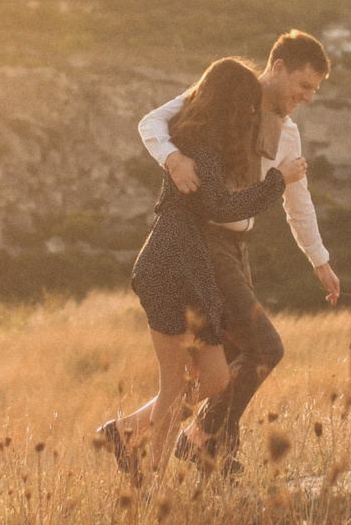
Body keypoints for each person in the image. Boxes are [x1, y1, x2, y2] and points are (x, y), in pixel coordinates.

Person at [95, 57, 307, 480]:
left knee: (213, 379)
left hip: (194, 266)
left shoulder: (205, 141)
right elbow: (221, 206)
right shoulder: (198, 144)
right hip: (169, 262)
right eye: (247, 105)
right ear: (232, 102)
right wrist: (277, 181)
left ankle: (122, 431)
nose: (252, 113)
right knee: (175, 384)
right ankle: (151, 477)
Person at [139, 29, 339, 472]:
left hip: (236, 246)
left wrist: (319, 260)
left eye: (315, 91)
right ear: (279, 67)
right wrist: (172, 158)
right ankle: (200, 439)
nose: (307, 97)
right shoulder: (223, 97)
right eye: (304, 86)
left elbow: (297, 200)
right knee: (263, 350)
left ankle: (198, 451)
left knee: (228, 365)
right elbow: (152, 122)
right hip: (203, 241)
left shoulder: (289, 135)